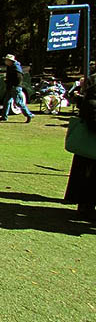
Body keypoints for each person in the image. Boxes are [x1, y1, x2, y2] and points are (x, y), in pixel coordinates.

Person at [64, 72, 96, 219]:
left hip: (89, 149)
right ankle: (85, 207)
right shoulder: (91, 100)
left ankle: (85, 205)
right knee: (89, 179)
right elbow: (92, 120)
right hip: (90, 148)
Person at [0, 54, 34, 122]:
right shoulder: (10, 66)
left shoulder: (16, 68)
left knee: (18, 102)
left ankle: (29, 115)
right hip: (10, 87)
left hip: (15, 87)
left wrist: (14, 85)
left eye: (6, 60)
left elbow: (19, 78)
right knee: (6, 102)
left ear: (10, 61)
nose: (5, 61)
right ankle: (4, 117)